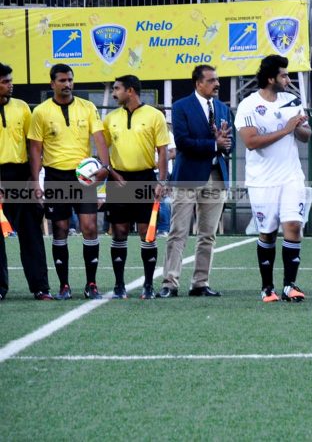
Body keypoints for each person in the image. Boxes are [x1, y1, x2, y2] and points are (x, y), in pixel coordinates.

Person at [28, 64, 111, 300]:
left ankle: (91, 284)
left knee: (90, 227)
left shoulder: (88, 107)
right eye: (62, 80)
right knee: (61, 229)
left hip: (83, 177)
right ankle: (64, 286)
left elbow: (99, 139)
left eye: (70, 80)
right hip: (56, 176)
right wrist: (36, 182)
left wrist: (105, 166)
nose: (67, 84)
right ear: (52, 83)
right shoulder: (41, 112)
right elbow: (35, 149)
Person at [236, 55, 311, 303]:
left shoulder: (292, 101)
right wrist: (286, 129)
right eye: (283, 75)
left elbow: (306, 135)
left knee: (293, 226)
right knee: (267, 233)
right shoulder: (248, 105)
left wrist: (298, 126)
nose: (288, 80)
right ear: (270, 79)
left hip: (291, 176)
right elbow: (251, 142)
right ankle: (267, 288)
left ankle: (290, 286)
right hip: (262, 181)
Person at [160, 64, 233, 298]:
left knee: (207, 234)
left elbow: (227, 145)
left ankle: (200, 283)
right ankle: (170, 282)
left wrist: (224, 145)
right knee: (178, 231)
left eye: (217, 80)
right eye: (211, 80)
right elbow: (182, 141)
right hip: (187, 176)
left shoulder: (223, 108)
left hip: (216, 175)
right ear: (198, 83)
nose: (217, 84)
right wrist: (214, 144)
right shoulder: (181, 107)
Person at [102, 75, 169, 300]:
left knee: (146, 234)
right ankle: (119, 285)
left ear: (130, 91)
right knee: (119, 232)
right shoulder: (110, 118)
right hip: (118, 180)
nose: (113, 93)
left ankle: (148, 285)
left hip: (145, 179)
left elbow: (162, 151)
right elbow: (103, 154)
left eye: (117, 89)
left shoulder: (154, 116)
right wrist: (112, 173)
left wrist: (161, 180)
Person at [0, 63, 52, 301]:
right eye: (5, 81)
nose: (11, 85)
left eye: (10, 80)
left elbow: (33, 147)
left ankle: (40, 287)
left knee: (31, 232)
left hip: (20, 175)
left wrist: (34, 179)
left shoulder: (22, 107)